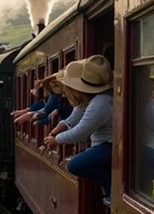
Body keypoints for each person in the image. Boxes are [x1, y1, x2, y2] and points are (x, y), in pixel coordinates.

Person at [43, 55, 114, 202]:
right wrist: (58, 128)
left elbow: (81, 131)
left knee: (75, 165)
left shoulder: (100, 103)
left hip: (108, 145)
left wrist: (56, 140)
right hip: (104, 145)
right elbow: (75, 116)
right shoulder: (95, 99)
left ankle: (111, 186)